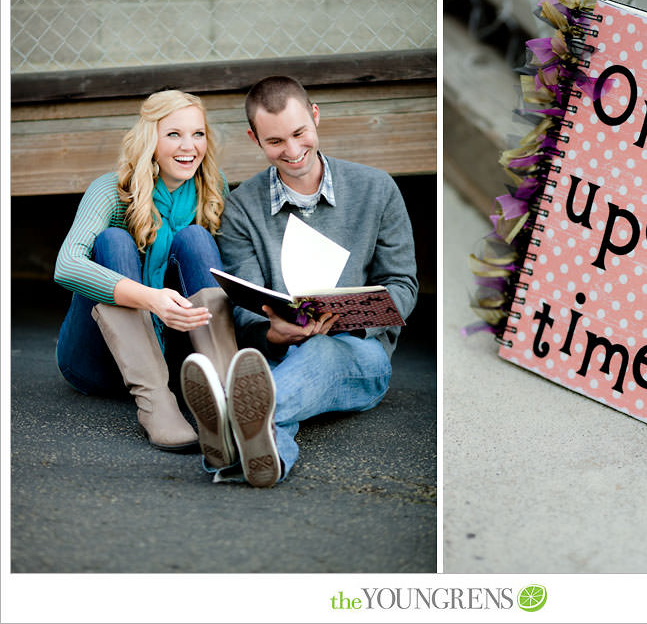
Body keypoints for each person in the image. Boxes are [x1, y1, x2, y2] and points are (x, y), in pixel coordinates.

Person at [180, 76, 418, 487]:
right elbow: (245, 305)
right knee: (281, 396)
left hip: (360, 354)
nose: (292, 151)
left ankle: (226, 422)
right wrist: (273, 333)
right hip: (279, 358)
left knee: (322, 351)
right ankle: (258, 454)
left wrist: (354, 319)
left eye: (299, 133)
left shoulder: (377, 189)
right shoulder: (241, 209)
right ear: (254, 139)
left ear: (315, 116)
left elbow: (402, 285)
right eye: (275, 142)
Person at [54, 89, 240, 452]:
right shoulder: (111, 190)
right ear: (149, 138)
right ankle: (155, 402)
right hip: (95, 363)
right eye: (174, 134)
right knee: (113, 242)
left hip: (175, 354)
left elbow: (229, 271)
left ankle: (226, 393)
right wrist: (152, 299)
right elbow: (66, 265)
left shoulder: (213, 190)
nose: (189, 146)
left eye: (197, 134)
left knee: (196, 238)